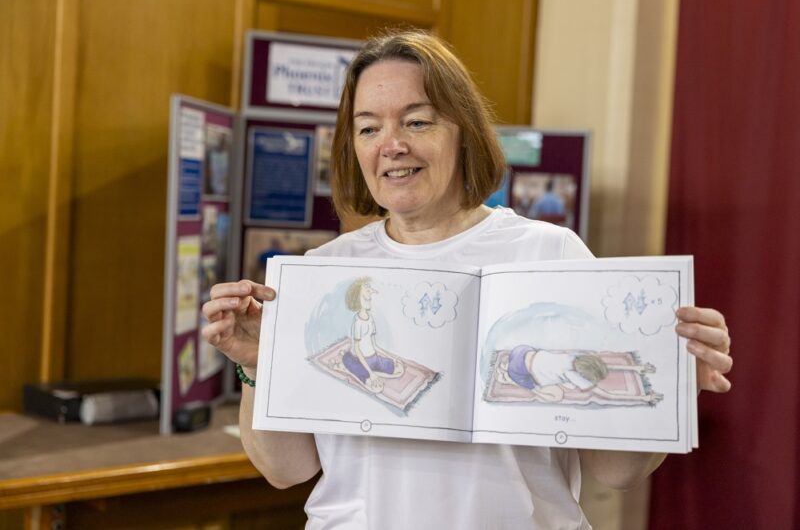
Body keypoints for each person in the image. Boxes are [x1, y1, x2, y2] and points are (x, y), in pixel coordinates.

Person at [202, 30, 733, 529]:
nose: (391, 144)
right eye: (369, 127)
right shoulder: (321, 272)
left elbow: (616, 472)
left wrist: (671, 381)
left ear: (463, 131)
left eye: (416, 121)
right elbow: (286, 470)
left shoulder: (550, 255)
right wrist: (257, 366)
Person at [494, 345, 662, 404]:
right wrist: (642, 398)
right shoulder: (572, 374)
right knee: (556, 394)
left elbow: (605, 365)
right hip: (520, 373)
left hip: (522, 350)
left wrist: (638, 368)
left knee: (550, 378)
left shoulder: (575, 357)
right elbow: (604, 394)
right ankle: (508, 377)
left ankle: (507, 365)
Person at [339, 277, 405, 393]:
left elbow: (375, 345)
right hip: (358, 360)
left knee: (400, 369)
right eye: (365, 298)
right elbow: (358, 350)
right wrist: (371, 373)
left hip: (374, 358)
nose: (368, 301)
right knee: (376, 387)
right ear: (357, 300)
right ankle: (365, 371)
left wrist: (392, 358)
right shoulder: (357, 322)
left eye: (369, 298)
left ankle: (374, 371)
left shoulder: (370, 319)